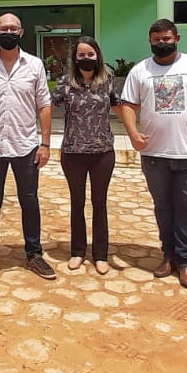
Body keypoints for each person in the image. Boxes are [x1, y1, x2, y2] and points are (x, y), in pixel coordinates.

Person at [120, 18, 187, 289]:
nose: (162, 43)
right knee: (163, 207)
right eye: (157, 39)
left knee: (186, 208)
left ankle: (186, 262)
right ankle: (168, 256)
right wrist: (132, 133)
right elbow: (128, 105)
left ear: (176, 38)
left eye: (167, 38)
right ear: (150, 40)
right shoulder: (140, 70)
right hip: (154, 155)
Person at [0, 12, 56, 281]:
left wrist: (46, 143)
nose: (8, 32)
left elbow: (44, 105)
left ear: (21, 33)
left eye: (12, 28)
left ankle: (34, 254)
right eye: (3, 28)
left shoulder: (35, 65)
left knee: (29, 201)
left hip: (26, 146)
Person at [52, 36, 121, 275]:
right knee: (77, 202)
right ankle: (78, 252)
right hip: (73, 152)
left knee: (99, 203)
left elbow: (121, 108)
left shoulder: (108, 82)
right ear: (75, 58)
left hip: (102, 152)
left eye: (90, 54)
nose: (86, 59)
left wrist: (137, 132)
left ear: (98, 56)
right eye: (81, 55)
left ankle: (101, 255)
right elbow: (46, 106)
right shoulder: (65, 83)